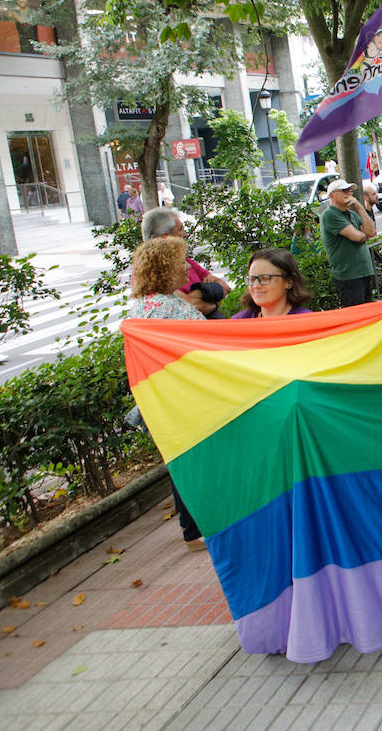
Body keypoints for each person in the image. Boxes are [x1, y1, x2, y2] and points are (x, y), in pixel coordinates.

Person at [127, 236, 205, 551]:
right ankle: (200, 526)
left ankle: (190, 530)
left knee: (177, 461)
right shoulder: (175, 309)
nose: (187, 270)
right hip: (185, 397)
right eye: (180, 264)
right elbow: (206, 346)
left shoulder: (140, 306)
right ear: (165, 270)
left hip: (157, 399)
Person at [140, 206, 231, 318]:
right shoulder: (154, 274)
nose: (185, 234)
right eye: (180, 229)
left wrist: (197, 295)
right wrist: (208, 292)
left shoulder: (182, 260)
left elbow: (225, 287)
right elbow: (192, 307)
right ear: (166, 237)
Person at [320, 179, 376, 306]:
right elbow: (358, 237)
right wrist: (363, 236)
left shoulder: (352, 214)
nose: (348, 193)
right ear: (331, 195)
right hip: (349, 276)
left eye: (350, 191)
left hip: (364, 272)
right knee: (357, 319)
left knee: (367, 316)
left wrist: (359, 207)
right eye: (344, 190)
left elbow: (371, 232)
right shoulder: (329, 215)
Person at [232, 248, 314, 318]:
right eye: (252, 279)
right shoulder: (240, 321)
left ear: (289, 282)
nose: (256, 286)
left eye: (265, 278)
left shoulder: (306, 321)